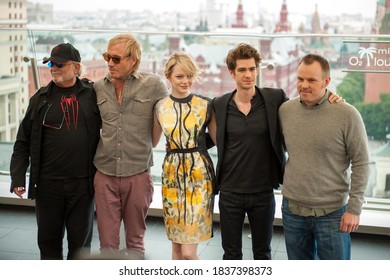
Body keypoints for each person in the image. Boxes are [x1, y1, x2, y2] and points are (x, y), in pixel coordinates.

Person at [212, 44, 341, 260]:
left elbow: (305, 105)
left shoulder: (274, 99)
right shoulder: (219, 104)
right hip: (230, 192)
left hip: (263, 191)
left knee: (263, 253)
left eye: (252, 69)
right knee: (231, 254)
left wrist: (330, 96)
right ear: (232, 72)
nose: (248, 74)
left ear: (258, 70)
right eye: (242, 70)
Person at [9, 43, 101, 260]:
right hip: (47, 185)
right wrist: (17, 177)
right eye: (50, 63)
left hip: (83, 184)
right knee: (48, 244)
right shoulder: (39, 99)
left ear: (76, 67)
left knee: (80, 247)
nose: (53, 68)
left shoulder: (93, 95)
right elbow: (22, 141)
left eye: (60, 64)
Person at [279, 54, 370, 260]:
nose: (304, 85)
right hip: (292, 210)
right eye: (300, 79)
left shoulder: (347, 114)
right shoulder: (285, 111)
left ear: (326, 81)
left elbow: (362, 163)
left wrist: (354, 209)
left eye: (311, 80)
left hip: (332, 213)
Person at [93, 33, 168, 258]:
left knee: (135, 242)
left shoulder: (154, 85)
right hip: (104, 175)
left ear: (133, 60)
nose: (109, 63)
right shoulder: (97, 88)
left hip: (138, 175)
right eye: (107, 56)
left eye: (116, 59)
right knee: (107, 245)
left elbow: (170, 116)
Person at [152, 52, 216, 260]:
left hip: (199, 177)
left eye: (189, 76)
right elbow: (153, 141)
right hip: (171, 178)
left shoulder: (205, 105)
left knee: (189, 252)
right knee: (177, 248)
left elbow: (218, 140)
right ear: (168, 76)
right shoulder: (160, 107)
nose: (186, 81)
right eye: (180, 76)